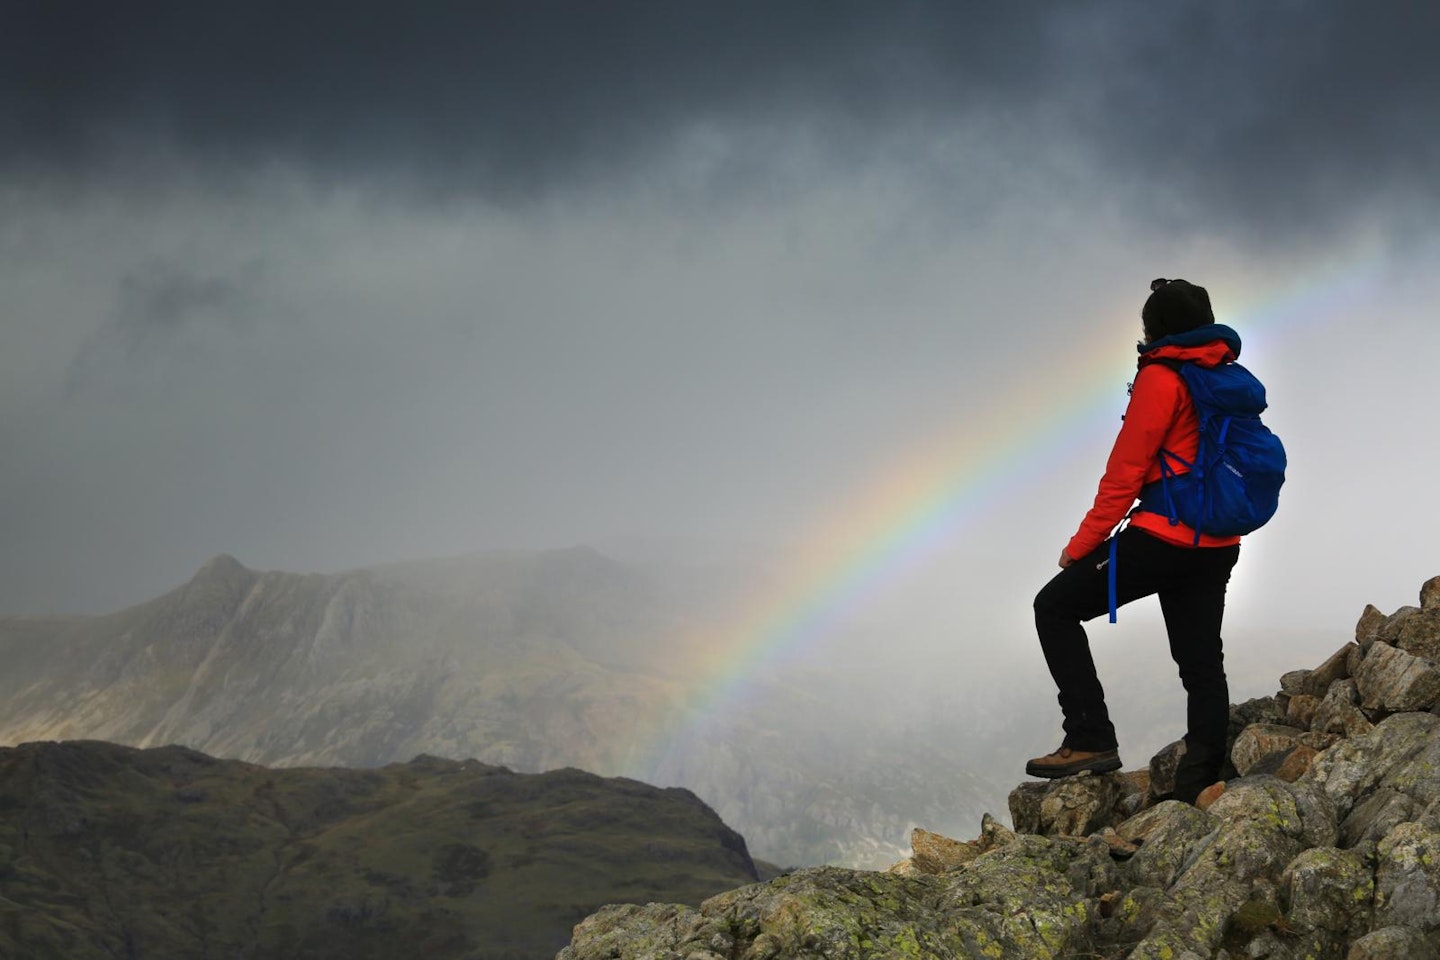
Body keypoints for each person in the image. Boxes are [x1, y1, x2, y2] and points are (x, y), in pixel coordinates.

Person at [1026, 278, 1243, 805]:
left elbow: (1125, 473)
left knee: (1053, 607)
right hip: (1218, 541)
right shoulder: (1226, 375)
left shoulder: (1162, 378)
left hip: (1163, 539)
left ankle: (1089, 738)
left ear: (1156, 328)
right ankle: (1200, 782)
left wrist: (1081, 546)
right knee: (1201, 661)